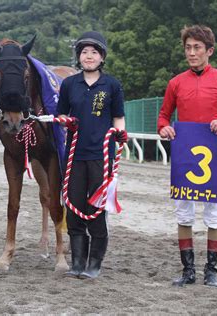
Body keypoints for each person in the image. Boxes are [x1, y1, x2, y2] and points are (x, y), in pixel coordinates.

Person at [158, 25, 217, 287]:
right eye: (188, 48)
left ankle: (212, 271)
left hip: (213, 153)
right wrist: (164, 127)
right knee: (183, 213)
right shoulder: (175, 82)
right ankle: (188, 271)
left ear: (210, 50)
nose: (192, 52)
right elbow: (164, 116)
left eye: (197, 47)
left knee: (214, 212)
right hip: (183, 152)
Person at [57, 31, 127, 279]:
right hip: (74, 157)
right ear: (79, 56)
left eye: (94, 52)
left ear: (102, 57)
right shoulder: (68, 85)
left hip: (101, 156)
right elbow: (61, 116)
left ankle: (94, 264)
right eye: (84, 52)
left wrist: (120, 134)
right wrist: (67, 122)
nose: (89, 56)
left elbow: (118, 117)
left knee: (96, 208)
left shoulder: (112, 85)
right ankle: (77, 262)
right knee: (74, 208)